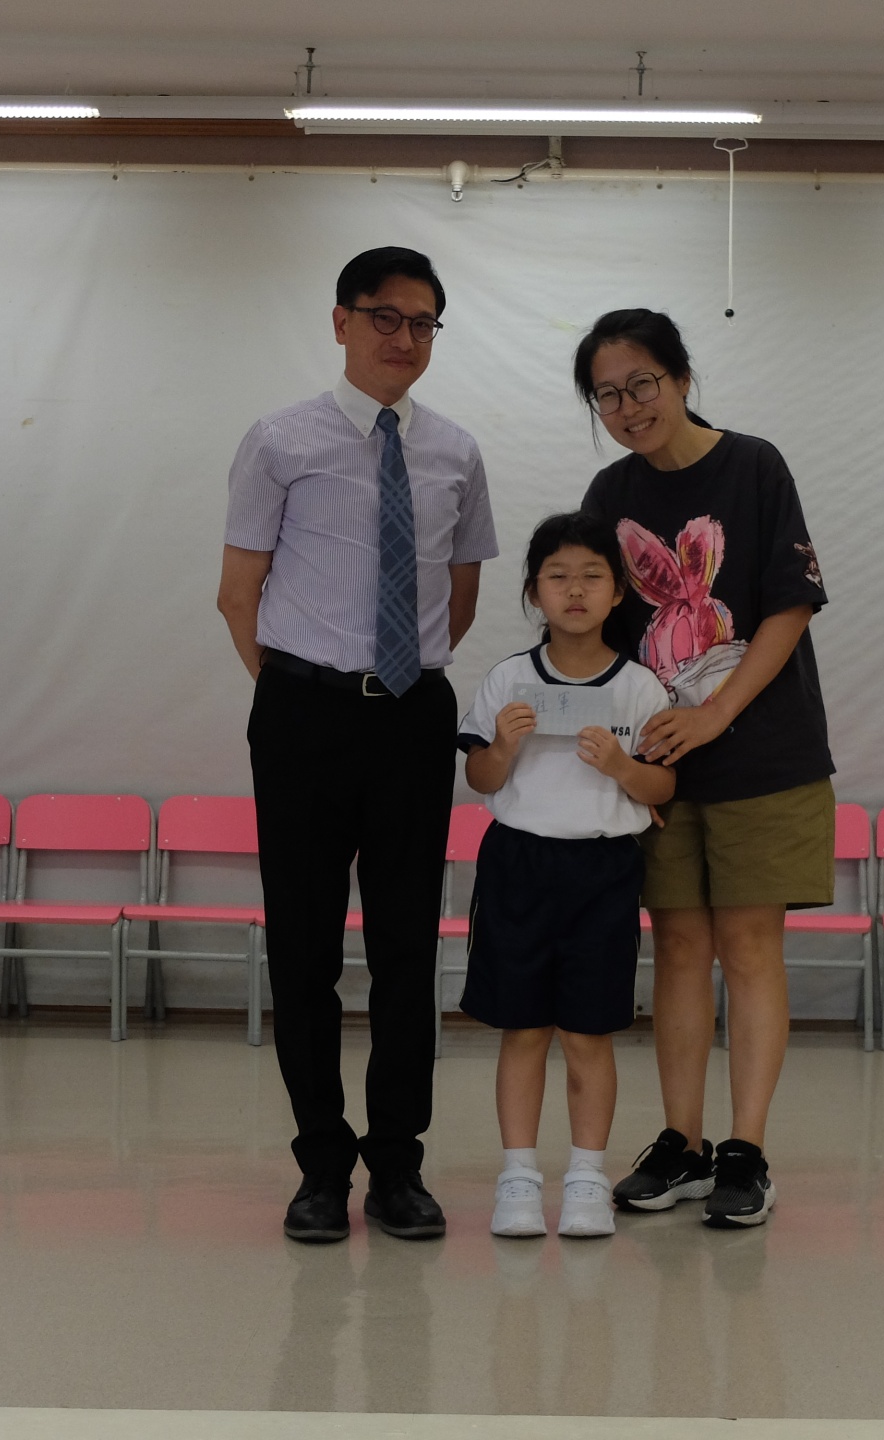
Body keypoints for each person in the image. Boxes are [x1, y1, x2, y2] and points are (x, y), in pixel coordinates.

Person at [218, 247, 497, 1244]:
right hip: (303, 713)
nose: (404, 338)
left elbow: (459, 597)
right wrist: (305, 692)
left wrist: (393, 683)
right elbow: (237, 594)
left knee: (406, 951)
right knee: (303, 951)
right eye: (386, 317)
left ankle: (399, 1167)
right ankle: (319, 1167)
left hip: (412, 717)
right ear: (342, 322)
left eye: (423, 323)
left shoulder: (457, 452)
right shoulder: (278, 440)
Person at [576, 308, 833, 1228]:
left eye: (642, 383)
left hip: (764, 754)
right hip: (660, 764)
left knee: (750, 947)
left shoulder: (754, 466)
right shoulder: (609, 492)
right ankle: (681, 1142)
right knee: (678, 946)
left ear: (682, 378)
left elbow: (789, 606)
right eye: (607, 395)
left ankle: (745, 1151)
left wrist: (716, 713)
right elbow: (601, 626)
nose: (628, 407)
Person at [457, 511, 675, 1238]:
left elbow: (664, 788)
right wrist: (502, 747)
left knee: (588, 1033)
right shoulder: (510, 678)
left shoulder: (640, 687)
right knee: (522, 1029)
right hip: (519, 864)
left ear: (618, 592)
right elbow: (480, 777)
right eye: (558, 577)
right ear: (534, 593)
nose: (575, 591)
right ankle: (518, 1178)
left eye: (591, 577)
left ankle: (586, 1176)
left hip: (603, 871)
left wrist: (621, 766)